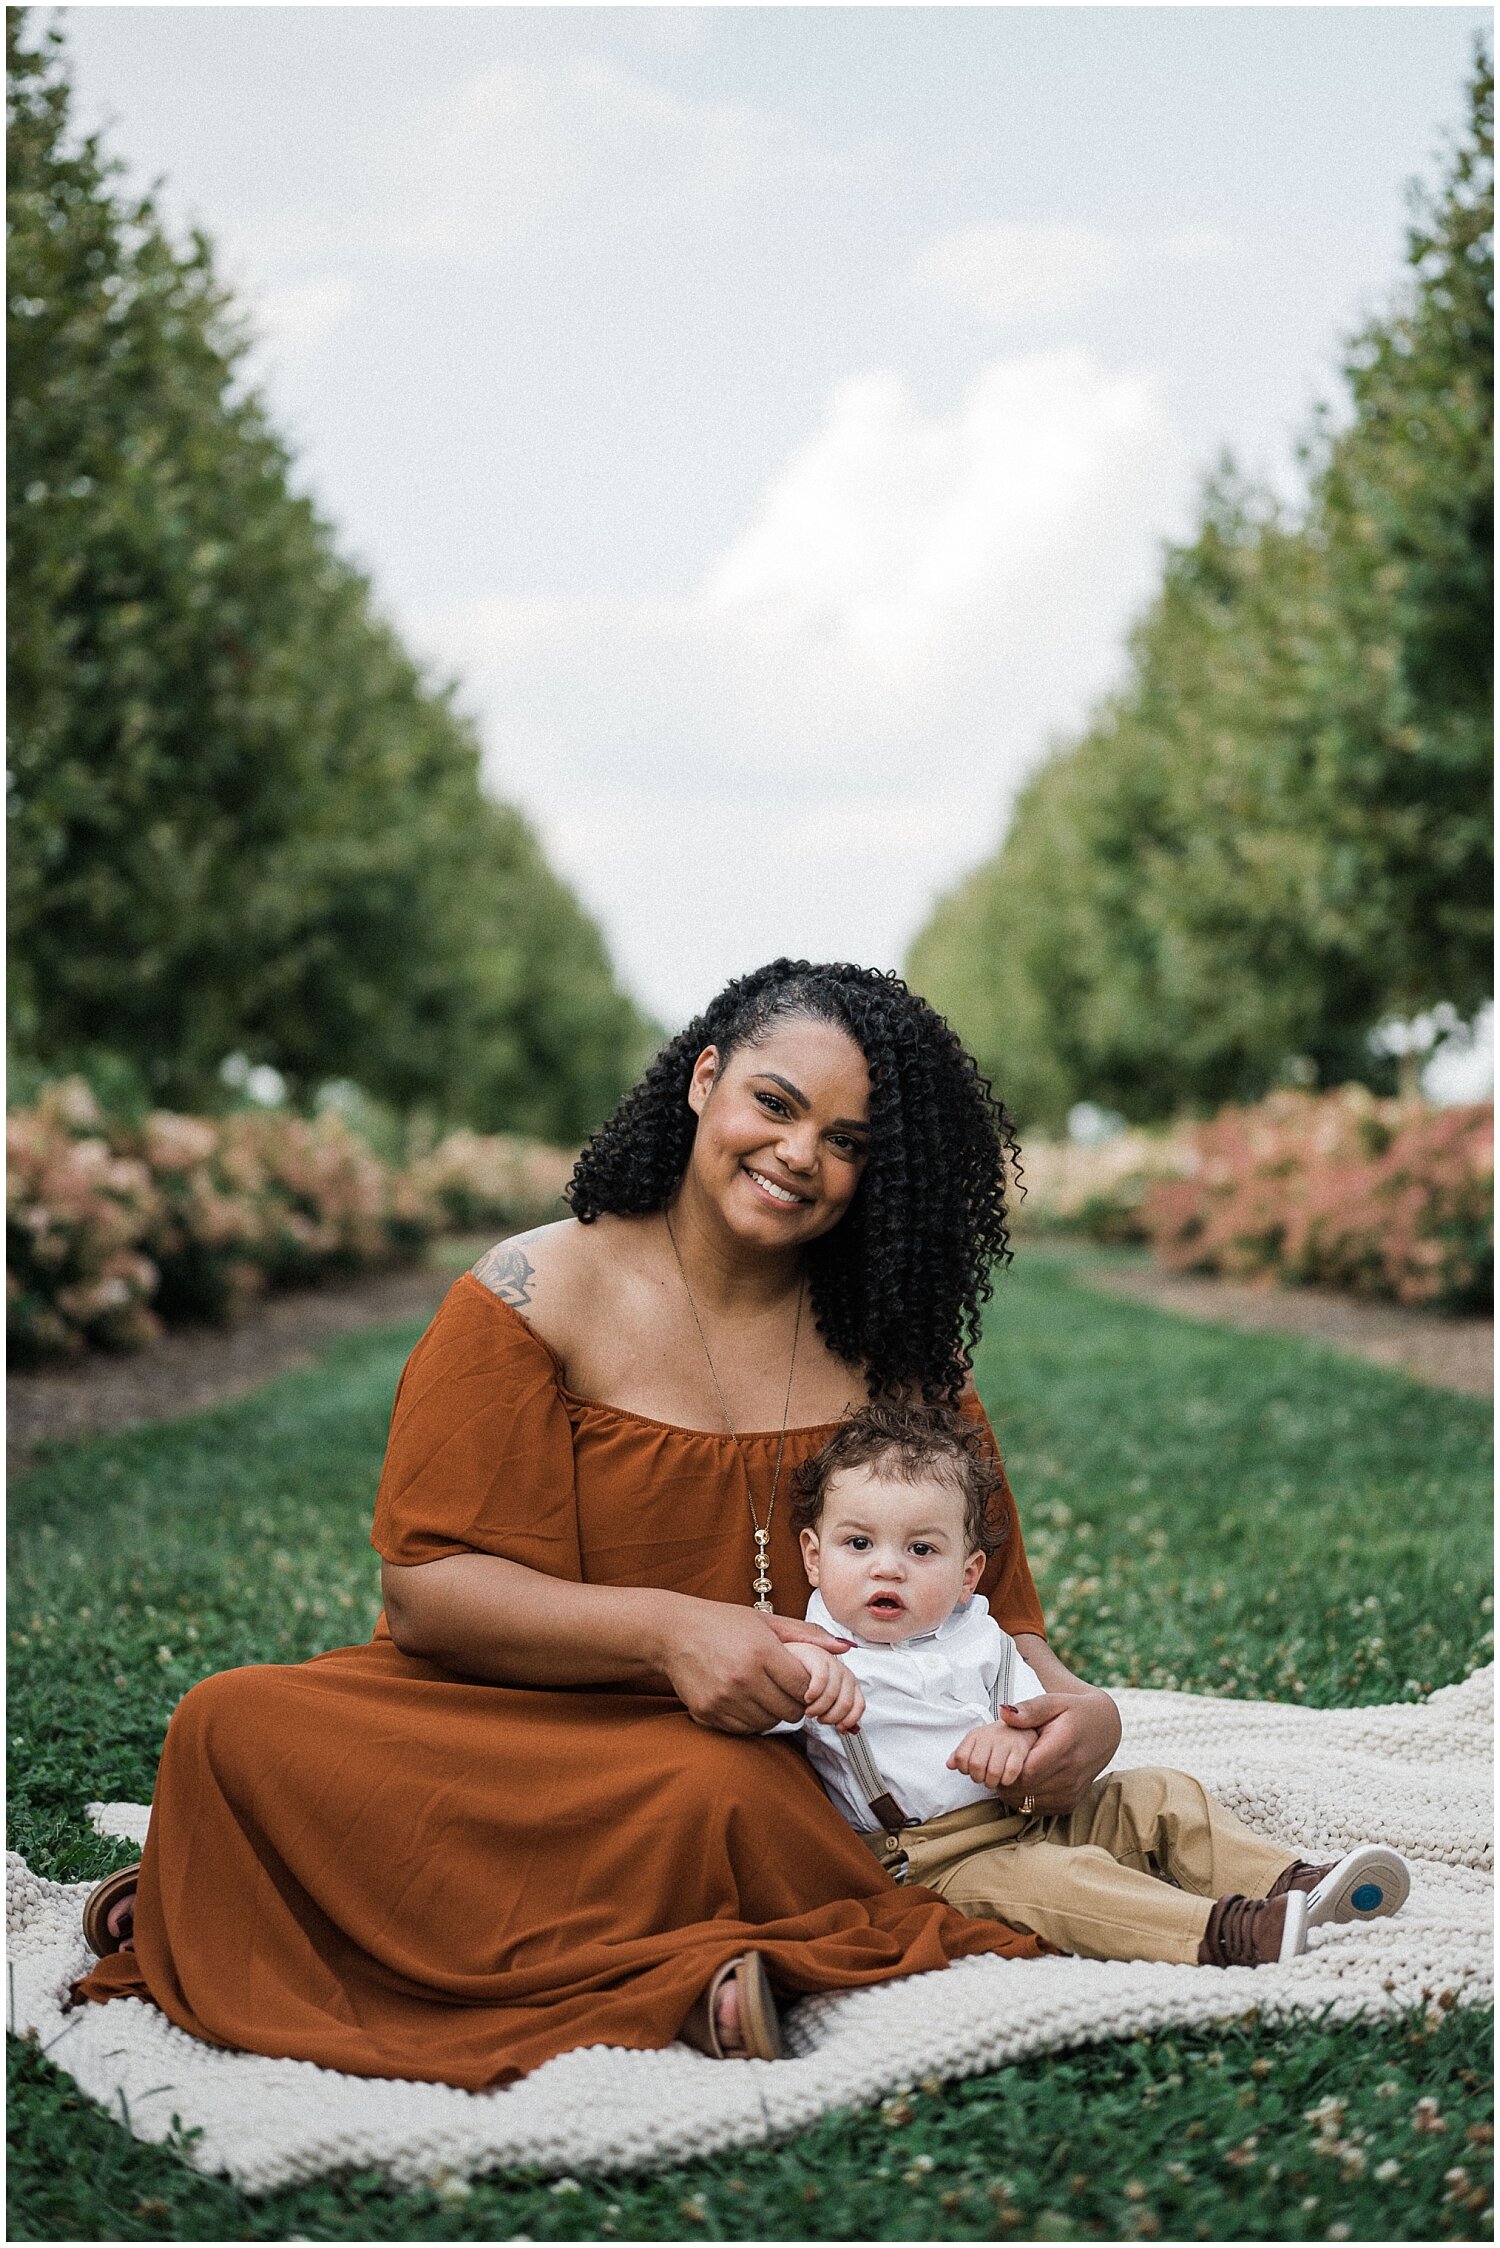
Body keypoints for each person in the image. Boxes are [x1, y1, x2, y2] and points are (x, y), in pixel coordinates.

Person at [75, 959, 1125, 2081]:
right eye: (774, 1104)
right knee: (230, 1723)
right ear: (705, 1079)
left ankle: (323, 1902)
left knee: (725, 1791)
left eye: (850, 1142)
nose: (799, 1155)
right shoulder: (529, 1293)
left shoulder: (907, 1349)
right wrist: (671, 1634)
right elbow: (426, 1597)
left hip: (773, 1766)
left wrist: (1086, 1720)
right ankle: (641, 1944)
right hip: (520, 1724)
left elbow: (998, 1623)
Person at [777, 1401, 1411, 1968]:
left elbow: (1033, 1712)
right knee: (1065, 1882)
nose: (887, 1566)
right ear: (814, 1555)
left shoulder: (976, 1633)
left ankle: (1293, 1883)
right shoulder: (808, 1653)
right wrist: (803, 1689)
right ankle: (1232, 1932)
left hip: (1028, 1813)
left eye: (922, 1551)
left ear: (969, 1572)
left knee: (1161, 1793)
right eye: (858, 1543)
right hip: (937, 1862)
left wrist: (1015, 1736)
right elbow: (751, 1719)